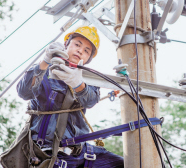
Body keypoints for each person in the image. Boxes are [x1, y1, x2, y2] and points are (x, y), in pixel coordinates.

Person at [16, 26, 124, 168]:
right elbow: (24, 92)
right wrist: (45, 61)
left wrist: (77, 84)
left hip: (80, 153)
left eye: (86, 50)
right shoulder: (45, 73)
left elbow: (90, 100)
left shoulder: (89, 80)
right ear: (66, 45)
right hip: (48, 154)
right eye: (77, 45)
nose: (80, 51)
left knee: (126, 164)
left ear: (88, 59)